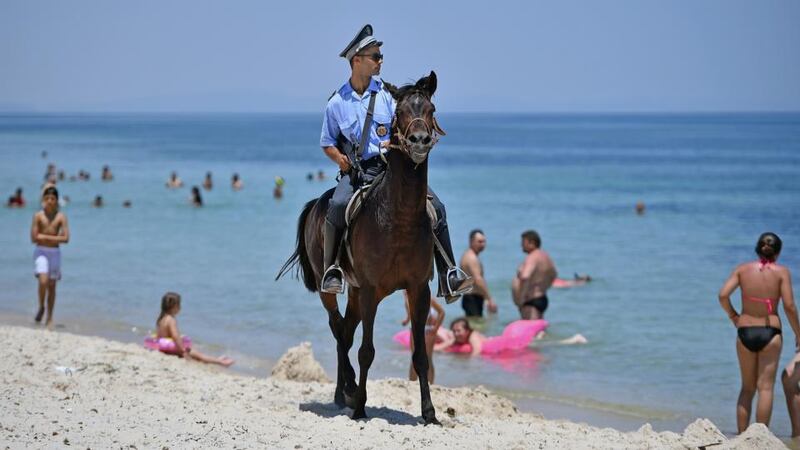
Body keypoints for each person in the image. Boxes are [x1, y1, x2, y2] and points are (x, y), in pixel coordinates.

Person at [318, 24, 472, 302]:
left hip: (391, 168)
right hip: (357, 172)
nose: (380, 61)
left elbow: (402, 126)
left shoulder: (389, 96)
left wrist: (400, 143)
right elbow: (327, 142)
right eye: (375, 56)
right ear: (357, 60)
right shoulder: (336, 103)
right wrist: (341, 161)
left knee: (436, 207)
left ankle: (449, 273)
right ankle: (333, 270)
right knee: (338, 205)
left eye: (380, 56)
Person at [719, 232, 800, 434]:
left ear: (758, 248)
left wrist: (734, 317)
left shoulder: (742, 269)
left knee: (747, 388)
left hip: (744, 331)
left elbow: (722, 295)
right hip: (770, 332)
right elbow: (789, 306)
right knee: (765, 388)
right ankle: (760, 437)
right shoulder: (782, 272)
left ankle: (741, 436)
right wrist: (799, 333)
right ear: (778, 252)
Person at [155, 292, 234, 367]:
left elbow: (160, 336)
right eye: (179, 305)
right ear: (174, 306)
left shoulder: (161, 319)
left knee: (197, 357)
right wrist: (183, 351)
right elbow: (175, 336)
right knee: (200, 355)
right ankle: (222, 362)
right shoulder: (171, 320)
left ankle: (217, 360)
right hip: (173, 349)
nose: (180, 307)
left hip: (164, 348)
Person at [30, 185, 69, 329]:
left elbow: (66, 238)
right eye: (47, 198)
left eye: (53, 198)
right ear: (43, 200)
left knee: (52, 286)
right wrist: (53, 238)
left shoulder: (61, 217)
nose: (50, 201)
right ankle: (41, 306)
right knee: (43, 280)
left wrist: (44, 237)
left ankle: (50, 318)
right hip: (41, 252)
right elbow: (34, 238)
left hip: (55, 254)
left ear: (57, 200)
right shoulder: (38, 216)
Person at [400, 291, 445, 383]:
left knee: (427, 357)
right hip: (415, 329)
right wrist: (406, 320)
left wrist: (435, 328)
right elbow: (410, 315)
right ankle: (412, 383)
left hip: (428, 329)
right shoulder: (407, 300)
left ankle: (430, 384)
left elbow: (441, 312)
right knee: (414, 357)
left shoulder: (427, 297)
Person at [512, 230, 557, 320]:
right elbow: (554, 275)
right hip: (542, 298)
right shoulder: (546, 257)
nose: (521, 245)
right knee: (538, 330)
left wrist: (521, 299)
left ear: (531, 243)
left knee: (530, 332)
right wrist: (543, 288)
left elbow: (525, 277)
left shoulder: (532, 256)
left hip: (530, 300)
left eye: (523, 242)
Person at [459, 229, 498, 317]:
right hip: (472, 298)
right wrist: (490, 299)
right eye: (479, 242)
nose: (483, 244)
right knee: (476, 327)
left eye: (484, 242)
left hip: (471, 297)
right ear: (471, 241)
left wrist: (485, 299)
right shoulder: (471, 258)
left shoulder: (468, 255)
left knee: (475, 325)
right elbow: (478, 279)